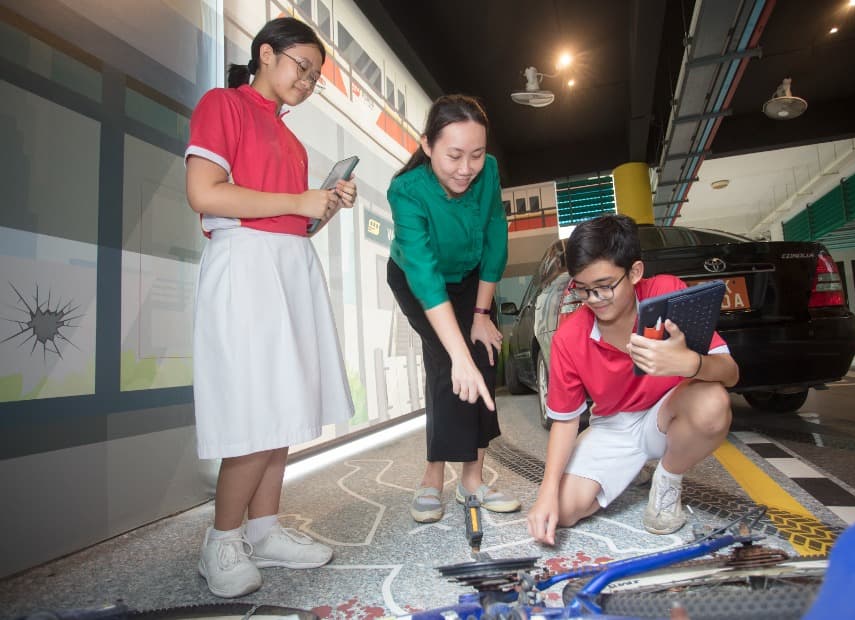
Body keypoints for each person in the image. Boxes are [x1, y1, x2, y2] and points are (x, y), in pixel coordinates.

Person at [185, 17, 357, 598]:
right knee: (255, 408)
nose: (307, 81)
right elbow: (205, 192)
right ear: (266, 53)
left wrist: (326, 205)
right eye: (301, 66)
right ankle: (222, 540)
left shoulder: (291, 139)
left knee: (283, 405)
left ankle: (263, 529)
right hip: (245, 265)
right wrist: (297, 199)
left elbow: (296, 222)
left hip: (287, 264)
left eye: (316, 76)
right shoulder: (222, 104)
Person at [527, 215, 738, 544]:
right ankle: (632, 468)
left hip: (667, 415)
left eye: (605, 286)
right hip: (613, 426)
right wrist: (546, 492)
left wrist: (690, 363)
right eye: (583, 290)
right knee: (564, 511)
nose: (594, 299)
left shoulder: (669, 293)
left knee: (712, 403)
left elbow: (730, 372)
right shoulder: (570, 337)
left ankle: (667, 479)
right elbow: (565, 422)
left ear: (635, 272)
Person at [386, 94, 520, 524]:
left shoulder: (489, 171)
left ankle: (472, 482)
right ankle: (432, 477)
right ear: (427, 146)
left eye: (476, 155)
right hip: (418, 280)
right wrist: (460, 351)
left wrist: (481, 317)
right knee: (450, 362)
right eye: (454, 155)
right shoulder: (406, 191)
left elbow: (495, 237)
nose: (467, 168)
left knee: (483, 357)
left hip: (471, 279)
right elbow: (423, 274)